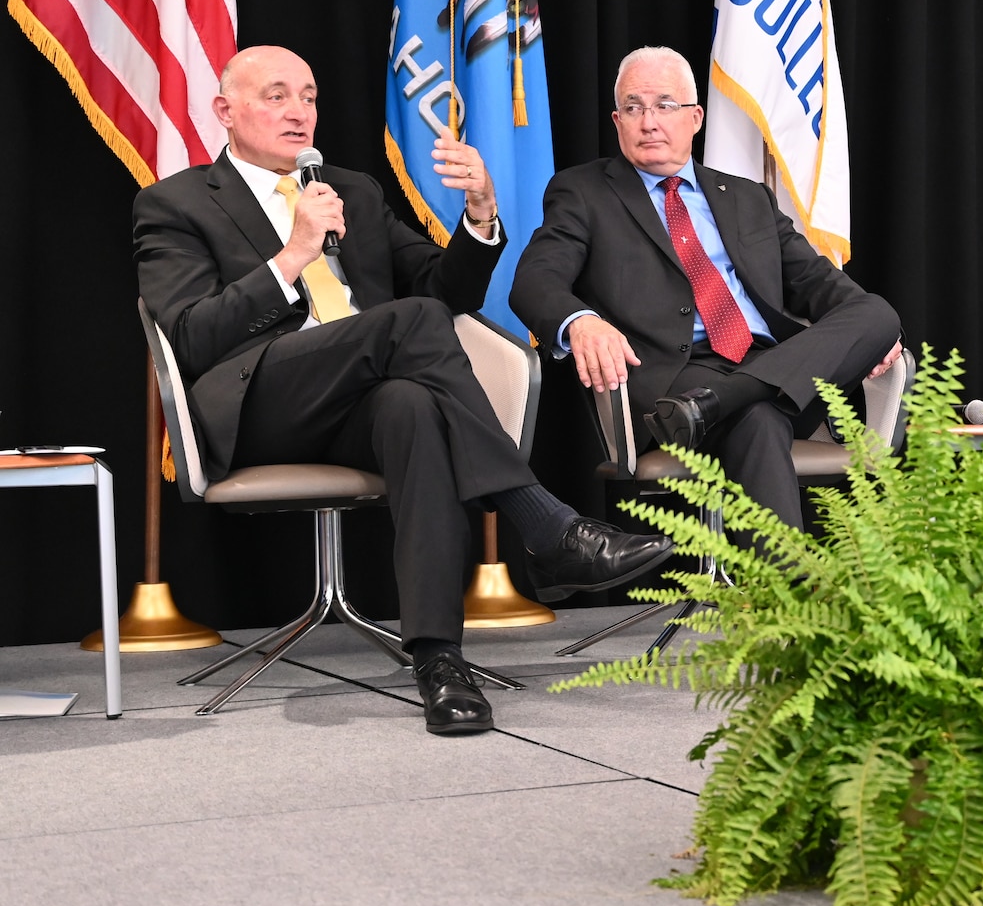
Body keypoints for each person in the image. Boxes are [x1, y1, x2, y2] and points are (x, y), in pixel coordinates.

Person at [133, 46, 673, 736]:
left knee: (414, 403)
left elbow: (445, 293)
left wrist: (480, 215)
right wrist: (292, 254)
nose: (298, 111)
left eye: (309, 94)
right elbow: (189, 337)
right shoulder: (174, 203)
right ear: (224, 111)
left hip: (360, 401)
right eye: (275, 95)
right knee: (409, 327)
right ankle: (544, 522)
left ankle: (439, 661)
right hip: (260, 403)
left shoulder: (352, 190)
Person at [510, 46, 902, 531]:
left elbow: (816, 282)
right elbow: (534, 281)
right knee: (758, 419)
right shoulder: (584, 193)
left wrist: (871, 335)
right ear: (617, 121)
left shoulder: (746, 197)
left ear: (695, 118)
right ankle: (783, 603)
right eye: (634, 108)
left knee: (878, 314)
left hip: (776, 371)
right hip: (675, 382)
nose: (649, 121)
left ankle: (725, 401)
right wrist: (581, 321)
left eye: (665, 106)